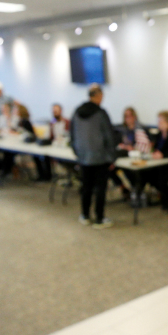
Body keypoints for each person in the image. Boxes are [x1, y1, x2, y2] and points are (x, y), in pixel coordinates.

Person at [71, 84, 117, 228]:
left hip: (84, 157)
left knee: (86, 187)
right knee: (100, 189)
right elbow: (109, 136)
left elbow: (72, 136)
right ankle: (99, 218)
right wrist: (112, 157)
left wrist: (78, 154)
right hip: (100, 158)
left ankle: (85, 215)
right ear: (99, 96)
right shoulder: (101, 113)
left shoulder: (76, 113)